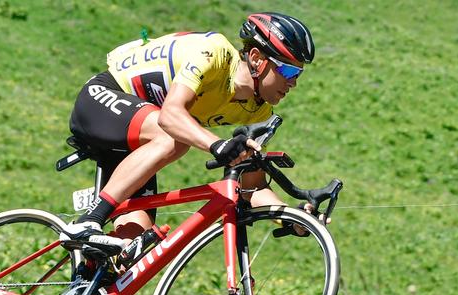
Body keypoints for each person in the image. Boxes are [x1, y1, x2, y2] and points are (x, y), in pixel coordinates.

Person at [60, 12, 317, 252]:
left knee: (131, 249)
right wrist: (217, 146)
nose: (293, 82)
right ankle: (89, 219)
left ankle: (81, 292)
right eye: (288, 70)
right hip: (104, 98)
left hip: (139, 140)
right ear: (257, 59)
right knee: (174, 139)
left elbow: (253, 187)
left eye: (299, 74)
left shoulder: (258, 111)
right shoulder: (214, 54)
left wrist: (291, 217)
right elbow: (171, 116)